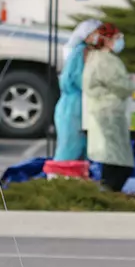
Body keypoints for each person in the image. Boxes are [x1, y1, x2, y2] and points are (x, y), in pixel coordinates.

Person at [82, 22, 135, 192]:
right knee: (120, 163)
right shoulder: (105, 60)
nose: (119, 42)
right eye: (116, 38)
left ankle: (107, 194)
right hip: (109, 113)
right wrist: (132, 83)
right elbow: (120, 85)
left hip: (104, 112)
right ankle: (108, 193)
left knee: (111, 159)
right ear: (107, 40)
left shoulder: (94, 58)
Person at [53, 19, 102, 161]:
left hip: (83, 107)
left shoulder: (90, 53)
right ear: (86, 35)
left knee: (84, 152)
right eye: (97, 33)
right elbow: (79, 79)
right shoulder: (79, 53)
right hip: (73, 108)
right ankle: (57, 180)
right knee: (69, 150)